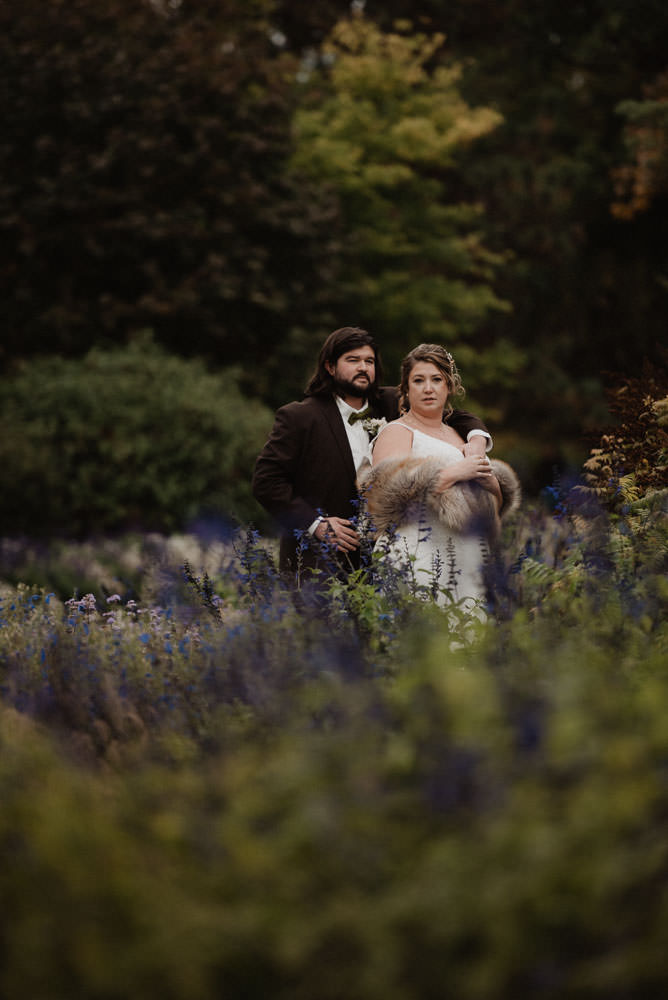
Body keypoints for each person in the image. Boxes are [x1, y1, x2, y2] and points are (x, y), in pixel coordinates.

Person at [252, 327, 492, 579]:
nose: (363, 367)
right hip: (318, 560)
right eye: (353, 360)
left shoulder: (393, 402)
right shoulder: (299, 416)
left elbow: (454, 415)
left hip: (384, 557)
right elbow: (266, 482)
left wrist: (477, 439)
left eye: (369, 361)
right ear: (330, 367)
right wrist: (316, 524)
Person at [359, 344, 520, 611]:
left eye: (436, 380)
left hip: (467, 560)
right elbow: (382, 499)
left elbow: (491, 513)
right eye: (418, 380)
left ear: (449, 386)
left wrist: (492, 485)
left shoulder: (461, 436)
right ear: (406, 389)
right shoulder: (397, 432)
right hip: (416, 556)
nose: (428, 388)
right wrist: (454, 473)